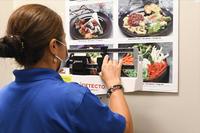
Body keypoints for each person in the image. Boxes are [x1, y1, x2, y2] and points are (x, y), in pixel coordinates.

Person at [0, 4, 133, 133]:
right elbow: (125, 130)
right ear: (54, 46)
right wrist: (114, 85)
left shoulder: (3, 96)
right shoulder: (74, 98)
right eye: (63, 39)